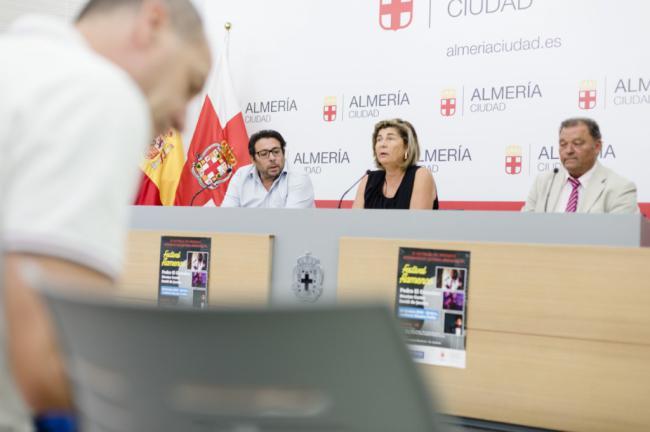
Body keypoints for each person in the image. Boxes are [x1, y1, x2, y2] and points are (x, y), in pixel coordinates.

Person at [0, 0, 211, 430]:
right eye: (189, 84)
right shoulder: (97, 92)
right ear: (151, 23)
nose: (182, 119)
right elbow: (50, 358)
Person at [522, 118, 639, 213]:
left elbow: (619, 236)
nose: (568, 150)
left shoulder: (620, 188)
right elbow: (524, 226)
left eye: (577, 143)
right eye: (563, 144)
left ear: (597, 146)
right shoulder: (544, 181)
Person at [352, 119, 438, 209]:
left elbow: (417, 221)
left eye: (390, 138)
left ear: (406, 147)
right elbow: (354, 221)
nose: (382, 144)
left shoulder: (420, 175)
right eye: (379, 139)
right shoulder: (368, 180)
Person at [221, 129, 315, 208]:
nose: (272, 158)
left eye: (276, 152)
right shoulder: (241, 175)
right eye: (264, 154)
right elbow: (227, 215)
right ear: (253, 159)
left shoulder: (298, 177)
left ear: (283, 153)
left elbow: (291, 221)